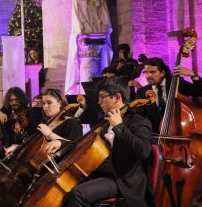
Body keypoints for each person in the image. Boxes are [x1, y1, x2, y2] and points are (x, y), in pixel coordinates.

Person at [59, 78, 153, 206]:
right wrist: (61, 144)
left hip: (122, 180)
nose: (99, 102)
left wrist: (119, 127)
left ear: (117, 97)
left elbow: (144, 151)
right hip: (99, 173)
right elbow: (83, 143)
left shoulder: (138, 121)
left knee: (77, 194)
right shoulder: (104, 121)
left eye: (102, 97)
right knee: (64, 189)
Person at [135, 57, 202, 132]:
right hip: (156, 137)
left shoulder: (176, 84)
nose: (148, 76)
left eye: (152, 72)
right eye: (146, 72)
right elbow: (139, 118)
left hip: (180, 132)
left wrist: (192, 74)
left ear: (162, 73)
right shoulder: (142, 92)